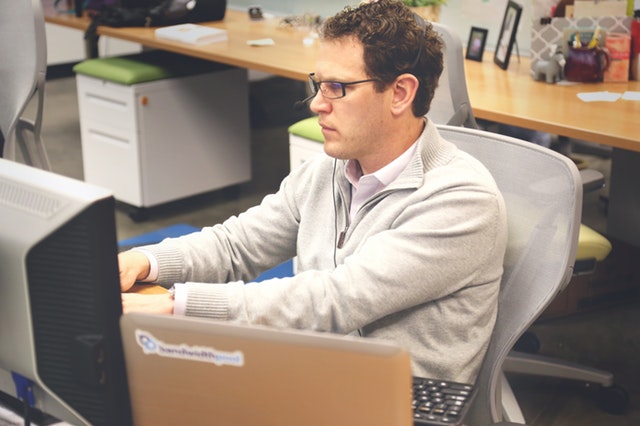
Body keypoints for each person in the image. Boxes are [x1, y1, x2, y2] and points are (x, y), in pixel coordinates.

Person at [119, 0, 508, 384]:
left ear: (401, 93)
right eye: (318, 84)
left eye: (337, 87)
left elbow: (334, 300)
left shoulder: (461, 199)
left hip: (397, 397)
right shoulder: (331, 169)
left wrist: (175, 304)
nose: (317, 104)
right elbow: (237, 245)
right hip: (315, 364)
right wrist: (143, 260)